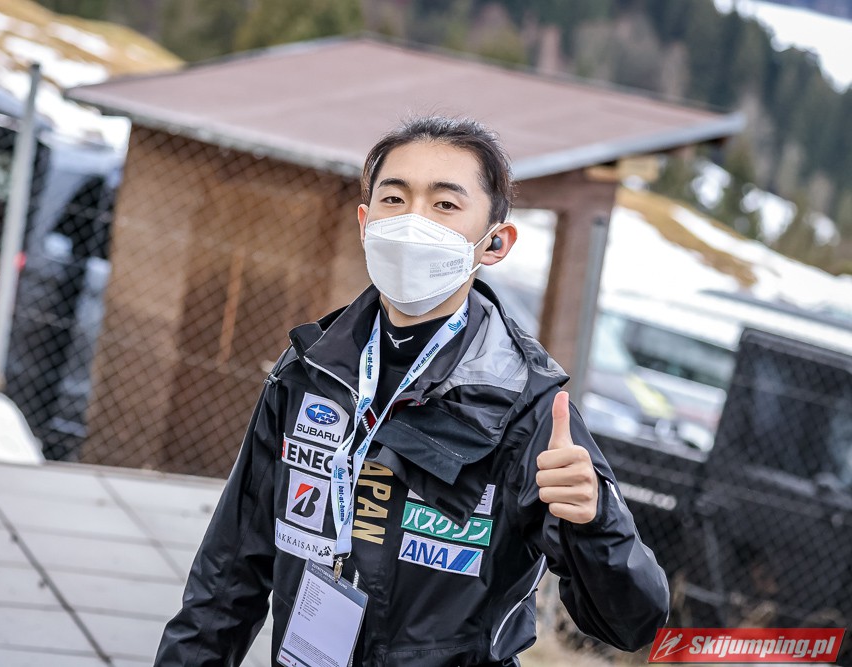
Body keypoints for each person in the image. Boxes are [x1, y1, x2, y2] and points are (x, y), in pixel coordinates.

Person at [155, 116, 669, 667]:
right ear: (365, 223)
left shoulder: (524, 404)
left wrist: (594, 521)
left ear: (495, 242)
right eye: (394, 199)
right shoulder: (310, 369)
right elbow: (228, 574)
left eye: (445, 204)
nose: (413, 221)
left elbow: (631, 622)